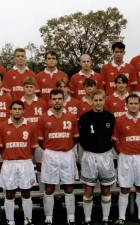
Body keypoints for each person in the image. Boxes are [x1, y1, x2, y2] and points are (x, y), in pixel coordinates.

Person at [37, 88, 79, 225]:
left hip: (67, 154)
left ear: (63, 99)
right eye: (54, 99)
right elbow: (41, 140)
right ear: (50, 100)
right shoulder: (43, 117)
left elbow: (75, 138)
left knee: (69, 186)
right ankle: (48, 217)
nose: (57, 101)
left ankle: (71, 216)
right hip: (50, 154)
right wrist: (51, 149)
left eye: (59, 99)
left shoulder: (71, 117)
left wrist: (65, 147)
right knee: (49, 187)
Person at [113, 94, 140, 224]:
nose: (134, 106)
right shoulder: (119, 120)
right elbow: (115, 141)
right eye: (131, 103)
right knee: (124, 187)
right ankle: (121, 217)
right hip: (125, 157)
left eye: (136, 103)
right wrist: (123, 151)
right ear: (126, 104)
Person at [78, 89, 116, 225]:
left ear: (104, 100)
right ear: (91, 101)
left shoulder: (110, 117)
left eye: (101, 100)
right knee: (89, 188)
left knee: (106, 188)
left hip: (106, 155)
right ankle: (87, 219)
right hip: (90, 156)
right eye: (96, 100)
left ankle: (105, 218)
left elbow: (112, 136)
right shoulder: (84, 118)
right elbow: (81, 139)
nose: (98, 103)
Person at [0, 100, 38, 225]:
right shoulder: (2, 126)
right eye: (14, 109)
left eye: (19, 109)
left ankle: (28, 219)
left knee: (26, 192)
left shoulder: (30, 126)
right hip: (9, 163)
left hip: (25, 162)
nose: (17, 111)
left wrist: (24, 155)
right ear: (10, 111)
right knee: (10, 192)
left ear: (23, 111)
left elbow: (32, 147)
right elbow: (1, 147)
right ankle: (10, 220)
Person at [20, 77, 48, 190]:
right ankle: (28, 191)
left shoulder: (42, 102)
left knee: (41, 166)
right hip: (25, 140)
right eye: (27, 87)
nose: (29, 89)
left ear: (35, 88)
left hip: (39, 140)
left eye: (31, 87)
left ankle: (42, 191)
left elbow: (46, 121)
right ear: (23, 88)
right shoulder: (19, 102)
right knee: (26, 167)